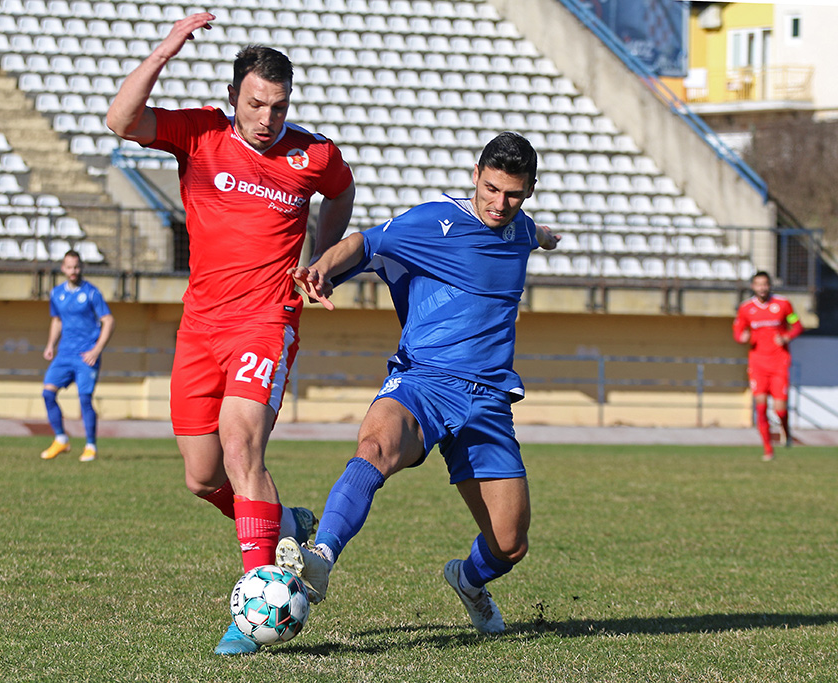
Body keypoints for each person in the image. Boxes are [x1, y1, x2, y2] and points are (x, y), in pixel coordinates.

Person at [106, 13, 356, 654]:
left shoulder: (312, 154)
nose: (267, 117)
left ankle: (255, 607)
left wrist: (318, 261)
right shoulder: (200, 134)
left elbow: (341, 189)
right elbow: (120, 121)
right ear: (234, 99)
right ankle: (283, 524)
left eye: (278, 105)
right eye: (255, 103)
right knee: (201, 476)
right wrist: (164, 51)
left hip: (267, 321)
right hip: (200, 326)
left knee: (242, 448)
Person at [275, 132, 559, 636]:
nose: (499, 204)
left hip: (489, 401)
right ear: (476, 174)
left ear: (530, 190)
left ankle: (468, 580)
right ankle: (320, 556)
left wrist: (544, 237)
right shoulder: (435, 222)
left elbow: (528, 233)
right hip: (423, 381)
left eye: (512, 195)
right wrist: (321, 266)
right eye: (490, 189)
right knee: (376, 445)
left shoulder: (519, 229)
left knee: (510, 544)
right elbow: (367, 242)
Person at [40, 249, 115, 462]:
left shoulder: (92, 293)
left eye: (77, 267)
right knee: (47, 393)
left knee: (84, 399)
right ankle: (61, 439)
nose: (73, 271)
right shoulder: (56, 293)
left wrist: (97, 349)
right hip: (64, 354)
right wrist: (50, 345)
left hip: (86, 355)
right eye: (70, 267)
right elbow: (57, 320)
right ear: (63, 269)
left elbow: (108, 320)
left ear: (81, 268)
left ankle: (91, 445)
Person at [732, 270, 804, 461]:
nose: (762, 288)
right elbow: (738, 331)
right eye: (758, 284)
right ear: (753, 286)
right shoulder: (746, 308)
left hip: (779, 363)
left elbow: (796, 325)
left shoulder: (782, 305)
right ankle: (767, 450)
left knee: (780, 409)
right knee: (761, 407)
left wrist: (787, 336)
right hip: (758, 364)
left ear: (770, 285)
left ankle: (785, 429)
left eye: (765, 284)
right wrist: (742, 337)